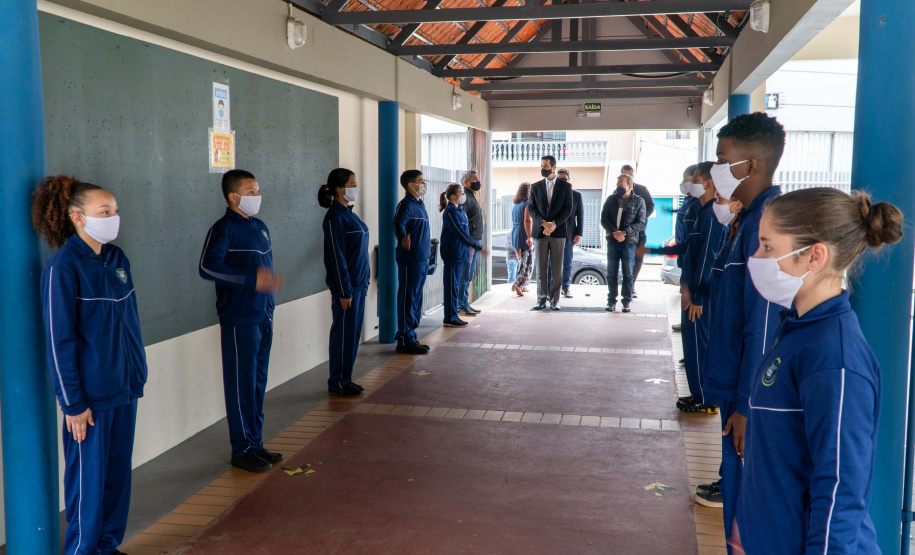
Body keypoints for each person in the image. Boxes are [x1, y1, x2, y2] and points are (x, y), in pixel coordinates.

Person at [734, 188, 902, 554]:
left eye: (767, 247)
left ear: (814, 255)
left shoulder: (834, 357)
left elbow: (840, 487)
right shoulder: (798, 330)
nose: (756, 258)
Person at [34, 175, 148, 555]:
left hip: (124, 388)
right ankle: (82, 550)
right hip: (90, 401)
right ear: (78, 217)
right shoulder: (63, 267)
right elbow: (58, 340)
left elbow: (127, 322)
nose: (113, 217)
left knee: (117, 477)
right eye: (105, 211)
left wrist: (137, 375)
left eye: (115, 211)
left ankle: (107, 546)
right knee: (88, 483)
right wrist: (73, 403)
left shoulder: (116, 258)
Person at [700, 113, 787, 549]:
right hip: (737, 387)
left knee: (746, 521)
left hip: (749, 395)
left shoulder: (764, 225)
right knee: (738, 509)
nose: (716, 169)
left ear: (750, 165)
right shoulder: (747, 219)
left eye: (722, 160)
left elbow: (764, 322)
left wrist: (749, 406)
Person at [199, 169, 285, 473]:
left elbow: (268, 272)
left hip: (263, 316)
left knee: (257, 382)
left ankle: (256, 443)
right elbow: (207, 268)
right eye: (251, 192)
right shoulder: (223, 229)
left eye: (257, 190)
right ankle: (241, 449)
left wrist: (270, 309)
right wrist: (250, 280)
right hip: (239, 317)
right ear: (233, 197)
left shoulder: (260, 227)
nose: (257, 196)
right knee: (240, 383)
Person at [644, 162, 726, 414]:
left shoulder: (712, 214)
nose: (690, 184)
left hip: (700, 293)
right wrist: (653, 251)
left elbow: (707, 259)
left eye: (695, 180)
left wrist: (697, 295)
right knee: (692, 344)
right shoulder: (702, 211)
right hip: (692, 287)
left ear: (709, 184)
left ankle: (705, 397)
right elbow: (688, 248)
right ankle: (698, 393)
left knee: (699, 345)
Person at [692, 190, 743, 510]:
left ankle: (733, 485)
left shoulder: (746, 231)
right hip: (729, 358)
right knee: (730, 430)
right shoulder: (738, 230)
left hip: (737, 364)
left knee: (737, 431)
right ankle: (730, 480)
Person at [320, 168, 371, 396]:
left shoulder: (349, 214)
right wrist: (344, 291)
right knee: (343, 334)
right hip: (347, 288)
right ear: (340, 189)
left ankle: (346, 378)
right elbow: (337, 257)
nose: (355, 187)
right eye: (352, 184)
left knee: (352, 334)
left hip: (359, 285)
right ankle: (337, 381)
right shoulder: (335, 217)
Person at [393, 169, 432, 355]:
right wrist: (402, 237)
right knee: (408, 298)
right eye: (420, 180)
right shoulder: (405, 204)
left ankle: (411, 336)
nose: (424, 183)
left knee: (416, 299)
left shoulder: (420, 204)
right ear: (411, 185)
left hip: (422, 259)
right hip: (410, 259)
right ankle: (404, 339)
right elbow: (398, 223)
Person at [528, 155, 573, 310]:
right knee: (540, 269)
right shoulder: (535, 186)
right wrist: (543, 223)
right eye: (541, 165)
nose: (543, 168)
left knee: (556, 270)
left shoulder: (566, 187)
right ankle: (541, 299)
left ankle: (555, 301)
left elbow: (568, 209)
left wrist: (553, 224)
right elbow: (531, 208)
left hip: (558, 232)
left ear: (554, 167)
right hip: (539, 233)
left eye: (546, 166)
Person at [440, 184, 487, 327]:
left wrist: (469, 250)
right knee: (451, 286)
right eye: (460, 193)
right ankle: (450, 317)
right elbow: (459, 233)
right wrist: (477, 246)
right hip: (452, 253)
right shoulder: (450, 212)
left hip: (461, 253)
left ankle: (453, 315)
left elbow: (465, 233)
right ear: (453, 196)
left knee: (456, 285)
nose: (463, 196)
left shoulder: (460, 210)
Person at [600, 174, 647, 313]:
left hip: (629, 243)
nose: (618, 189)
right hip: (613, 241)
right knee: (611, 273)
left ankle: (626, 302)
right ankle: (611, 301)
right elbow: (604, 219)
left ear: (629, 186)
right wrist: (615, 232)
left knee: (628, 274)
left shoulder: (639, 201)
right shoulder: (611, 199)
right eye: (618, 186)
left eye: (621, 186)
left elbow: (641, 223)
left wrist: (624, 232)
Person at [671, 165, 699, 334]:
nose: (683, 183)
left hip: (691, 257)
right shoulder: (689, 201)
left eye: (687, 179)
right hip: (684, 256)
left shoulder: (697, 204)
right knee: (685, 291)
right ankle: (686, 323)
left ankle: (690, 325)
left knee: (689, 293)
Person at [620, 164, 654, 298]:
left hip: (639, 231)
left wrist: (641, 218)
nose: (627, 178)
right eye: (625, 175)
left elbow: (650, 206)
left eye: (630, 175)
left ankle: (632, 284)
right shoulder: (618, 191)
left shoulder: (641, 190)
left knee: (638, 259)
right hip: (624, 232)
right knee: (625, 259)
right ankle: (626, 285)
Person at [457, 170, 484, 317]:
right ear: (466, 182)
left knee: (467, 275)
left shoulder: (470, 196)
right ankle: (461, 305)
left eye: (477, 178)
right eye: (474, 179)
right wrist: (468, 244)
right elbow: (463, 222)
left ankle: (464, 303)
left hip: (473, 241)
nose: (477, 181)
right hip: (469, 243)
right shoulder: (465, 198)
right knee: (465, 275)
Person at [557, 168, 583, 298]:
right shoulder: (553, 194)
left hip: (569, 234)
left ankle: (565, 287)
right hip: (555, 234)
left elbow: (580, 216)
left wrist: (578, 233)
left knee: (567, 262)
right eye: (560, 179)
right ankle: (552, 287)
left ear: (569, 180)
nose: (562, 181)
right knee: (553, 262)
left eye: (564, 179)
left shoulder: (576, 195)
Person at [510, 182, 535, 296]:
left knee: (521, 260)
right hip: (523, 233)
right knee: (527, 261)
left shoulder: (516, 204)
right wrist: (529, 237)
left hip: (515, 232)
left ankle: (523, 285)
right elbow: (527, 220)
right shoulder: (527, 204)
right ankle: (518, 284)